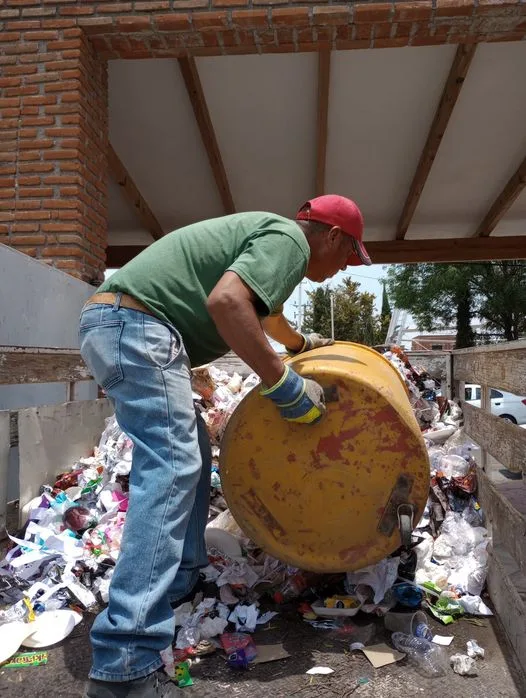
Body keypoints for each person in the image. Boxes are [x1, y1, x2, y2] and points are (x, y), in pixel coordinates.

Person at [81, 194, 371, 697]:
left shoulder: (277, 252)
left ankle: (179, 581)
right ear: (332, 235)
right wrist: (284, 384)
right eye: (349, 254)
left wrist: (302, 348)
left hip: (123, 324)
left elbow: (268, 318)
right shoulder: (288, 242)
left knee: (188, 459)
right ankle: (123, 666)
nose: (347, 266)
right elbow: (227, 303)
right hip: (138, 326)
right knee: (171, 469)